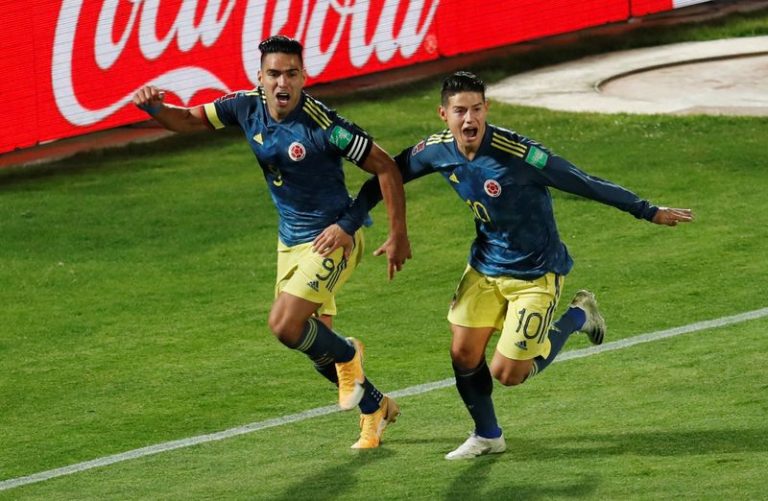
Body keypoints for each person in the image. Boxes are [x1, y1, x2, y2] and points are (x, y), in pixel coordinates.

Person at [321, 71, 693, 459]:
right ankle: (488, 435)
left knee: (508, 374)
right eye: (460, 111)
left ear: (487, 109)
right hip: (485, 266)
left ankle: (579, 316)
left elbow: (584, 182)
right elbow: (386, 173)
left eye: (477, 109)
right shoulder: (436, 150)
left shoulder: (521, 155)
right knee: (463, 353)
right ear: (443, 114)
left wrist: (648, 211)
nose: (470, 120)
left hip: (535, 273)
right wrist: (355, 223)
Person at [132, 35, 412, 449]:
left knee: (284, 325)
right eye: (274, 73)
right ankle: (375, 406)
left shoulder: (324, 126)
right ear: (259, 77)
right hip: (290, 242)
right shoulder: (245, 107)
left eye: (291, 74)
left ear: (304, 77)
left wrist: (380, 230)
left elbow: (385, 167)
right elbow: (188, 120)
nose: (283, 83)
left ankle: (351, 353)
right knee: (317, 349)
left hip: (332, 238)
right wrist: (154, 108)